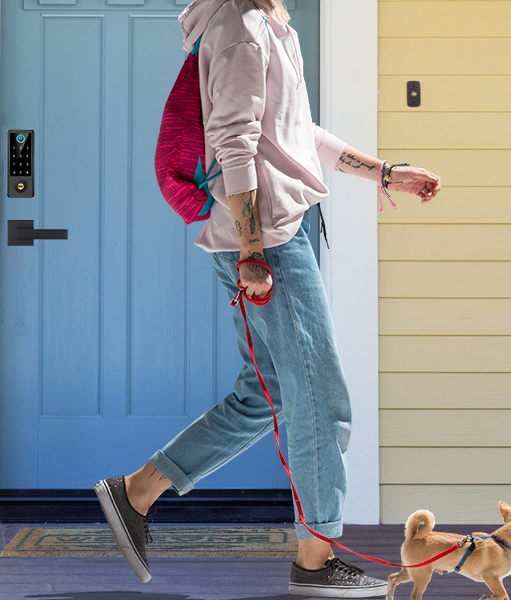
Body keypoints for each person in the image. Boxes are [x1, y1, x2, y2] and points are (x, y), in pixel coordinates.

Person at [93, 0, 442, 596]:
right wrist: (252, 249)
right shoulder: (240, 27)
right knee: (322, 400)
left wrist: (384, 172)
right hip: (269, 241)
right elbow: (234, 141)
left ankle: (139, 491)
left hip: (275, 231)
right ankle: (317, 560)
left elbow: (293, 135)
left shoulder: (269, 24)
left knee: (267, 394)